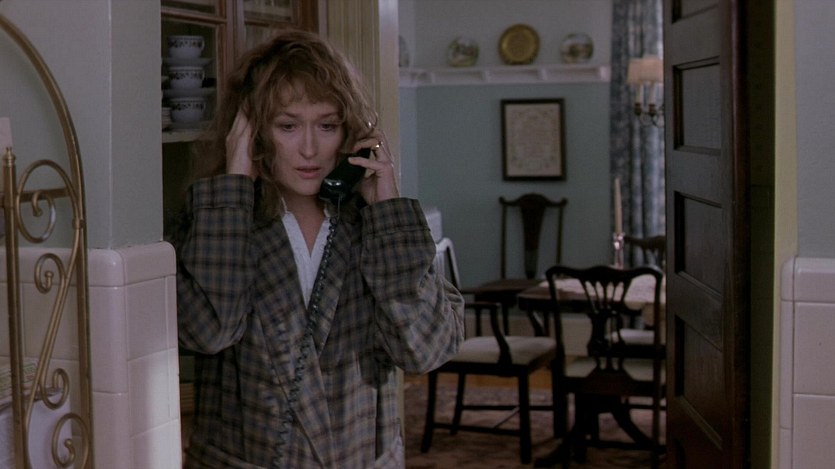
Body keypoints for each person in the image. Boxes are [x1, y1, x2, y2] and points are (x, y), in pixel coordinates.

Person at [172, 28, 465, 468]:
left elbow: (425, 350)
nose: (309, 149)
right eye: (288, 126)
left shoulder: (377, 227)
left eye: (326, 126)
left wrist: (387, 210)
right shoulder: (216, 222)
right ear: (250, 132)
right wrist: (233, 187)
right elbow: (209, 332)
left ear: (350, 133)